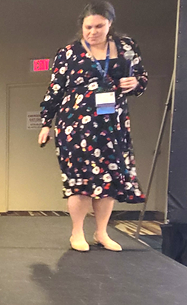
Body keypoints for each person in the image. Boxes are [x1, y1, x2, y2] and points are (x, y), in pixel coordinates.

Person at [38, 1, 148, 252]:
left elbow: (142, 78)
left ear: (110, 24)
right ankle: (77, 232)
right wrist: (46, 123)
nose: (93, 32)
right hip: (75, 124)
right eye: (88, 27)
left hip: (112, 124)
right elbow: (55, 89)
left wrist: (135, 83)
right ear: (82, 26)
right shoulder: (68, 52)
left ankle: (101, 232)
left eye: (99, 26)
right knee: (79, 179)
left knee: (108, 178)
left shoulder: (126, 47)